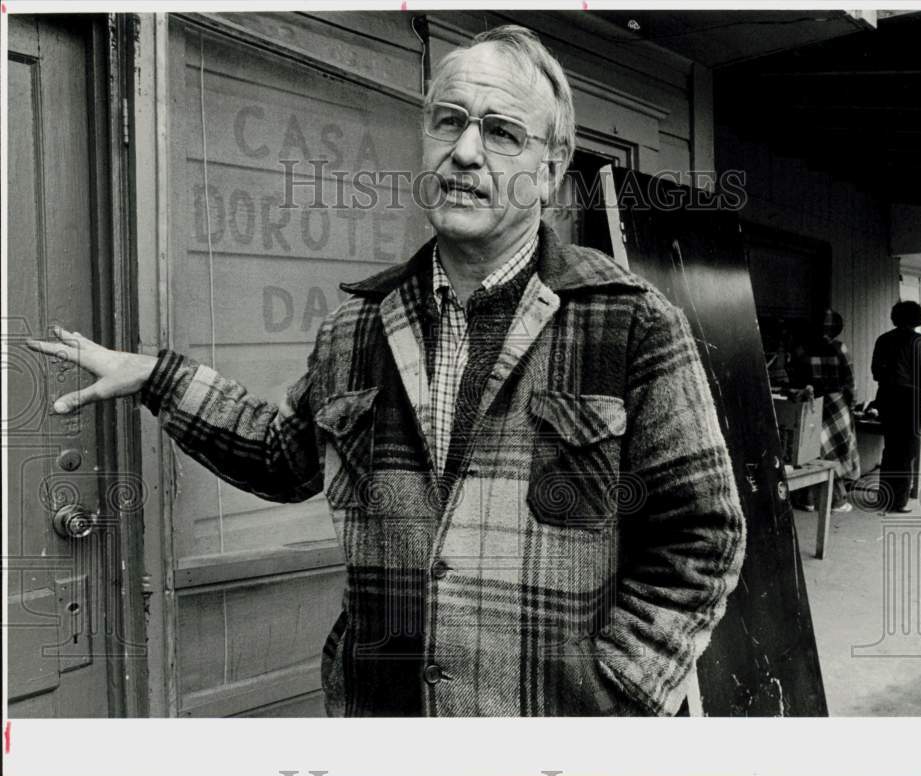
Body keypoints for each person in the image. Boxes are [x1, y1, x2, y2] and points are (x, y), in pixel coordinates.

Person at [27, 26, 745, 717]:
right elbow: (285, 456)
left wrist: (617, 691)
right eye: (448, 121)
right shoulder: (358, 326)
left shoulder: (631, 324)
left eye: (501, 132)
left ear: (551, 170)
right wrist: (156, 375)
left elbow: (703, 535)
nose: (465, 152)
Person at [790, 310, 861, 512]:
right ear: (837, 328)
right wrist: (852, 405)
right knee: (837, 452)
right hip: (836, 403)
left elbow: (794, 378)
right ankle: (837, 501)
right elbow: (850, 381)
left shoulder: (801, 349)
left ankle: (808, 499)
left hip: (810, 402)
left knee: (813, 451)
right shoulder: (840, 348)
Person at [871, 300, 921, 513]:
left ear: (896, 317)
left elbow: (876, 373)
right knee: (906, 450)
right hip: (910, 398)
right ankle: (898, 502)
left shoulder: (883, 340)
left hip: (887, 397)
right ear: (916, 318)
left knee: (891, 448)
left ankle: (885, 497)